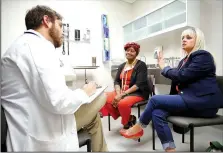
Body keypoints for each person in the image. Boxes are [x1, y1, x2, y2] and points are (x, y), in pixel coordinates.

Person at [1, 5, 107, 151]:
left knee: (94, 119)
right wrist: (85, 92)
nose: (63, 31)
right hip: (38, 128)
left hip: (41, 116)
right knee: (102, 97)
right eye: (61, 25)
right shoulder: (34, 47)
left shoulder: (28, 45)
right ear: (47, 21)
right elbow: (59, 101)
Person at [121, 27, 223, 152]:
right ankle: (170, 149)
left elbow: (181, 76)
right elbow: (178, 77)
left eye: (188, 37)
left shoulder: (203, 56)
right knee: (157, 113)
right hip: (191, 101)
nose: (184, 40)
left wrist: (164, 67)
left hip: (205, 103)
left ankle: (138, 128)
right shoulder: (184, 61)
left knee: (154, 100)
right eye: (182, 38)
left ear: (198, 40)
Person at [100, 42, 151, 133]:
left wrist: (122, 95)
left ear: (136, 53)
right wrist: (119, 93)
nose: (129, 52)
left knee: (122, 103)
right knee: (103, 97)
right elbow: (117, 81)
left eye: (132, 51)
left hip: (137, 92)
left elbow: (139, 84)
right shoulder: (122, 66)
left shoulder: (141, 65)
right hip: (122, 91)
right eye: (127, 50)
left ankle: (126, 123)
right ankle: (129, 118)